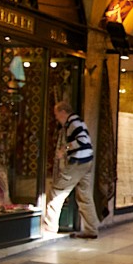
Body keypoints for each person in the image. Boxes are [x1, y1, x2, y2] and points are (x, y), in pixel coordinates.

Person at [44, 101, 100, 239]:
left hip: (78, 162)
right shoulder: (77, 121)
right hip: (86, 162)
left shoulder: (73, 122)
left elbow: (83, 140)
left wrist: (64, 149)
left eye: (57, 114)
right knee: (84, 196)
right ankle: (91, 229)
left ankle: (50, 228)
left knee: (57, 191)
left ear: (63, 112)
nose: (56, 118)